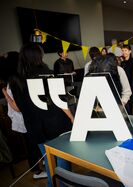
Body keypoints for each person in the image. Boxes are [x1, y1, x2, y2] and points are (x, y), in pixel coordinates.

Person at [9, 43, 73, 187]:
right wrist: (72, 117)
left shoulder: (15, 79)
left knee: (49, 163)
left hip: (34, 128)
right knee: (62, 161)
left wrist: (7, 96)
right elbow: (61, 101)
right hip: (55, 124)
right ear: (39, 56)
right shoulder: (48, 73)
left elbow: (18, 108)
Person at [1, 51, 47, 179]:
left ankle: (42, 162)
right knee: (31, 145)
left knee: (34, 144)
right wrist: (5, 94)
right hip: (24, 119)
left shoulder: (17, 78)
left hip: (27, 118)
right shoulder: (14, 81)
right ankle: (36, 171)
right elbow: (17, 108)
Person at [121, 45, 133, 114]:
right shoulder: (122, 62)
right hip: (123, 85)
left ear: (130, 51)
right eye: (122, 50)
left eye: (126, 50)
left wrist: (131, 89)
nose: (124, 52)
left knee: (129, 106)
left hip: (130, 86)